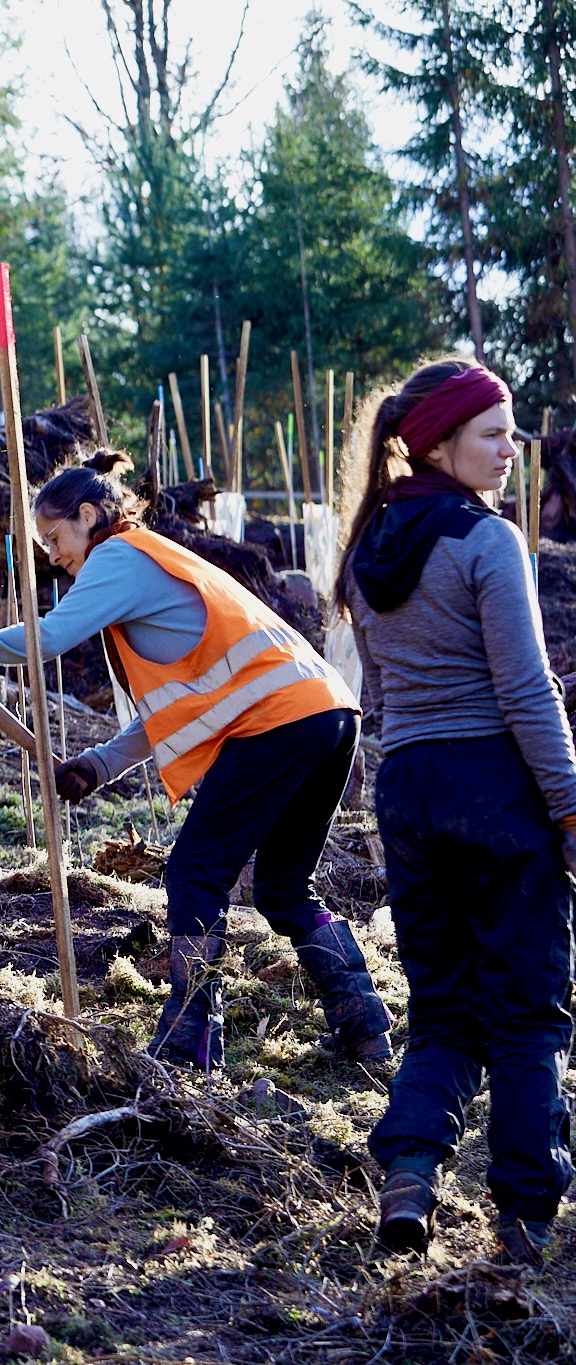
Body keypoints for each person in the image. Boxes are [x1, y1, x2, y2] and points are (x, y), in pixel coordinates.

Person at [0, 464, 386, 1069]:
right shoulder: (148, 563)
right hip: (328, 715)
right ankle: (364, 1026)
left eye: (54, 539)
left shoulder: (120, 555)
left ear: (89, 516)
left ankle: (189, 1035)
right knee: (285, 888)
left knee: (194, 872)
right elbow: (177, 705)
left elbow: (47, 639)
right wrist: (100, 767)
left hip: (281, 722)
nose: (52, 557)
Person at [340, 358, 576, 1266]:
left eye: (512, 430)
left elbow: (385, 699)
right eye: (492, 431)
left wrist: (381, 803)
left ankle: (408, 1168)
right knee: (526, 1016)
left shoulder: (371, 545)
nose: (512, 448)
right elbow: (525, 689)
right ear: (439, 441)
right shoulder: (486, 541)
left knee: (442, 1012)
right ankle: (523, 1219)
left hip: (409, 792)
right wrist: (570, 807)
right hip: (494, 791)